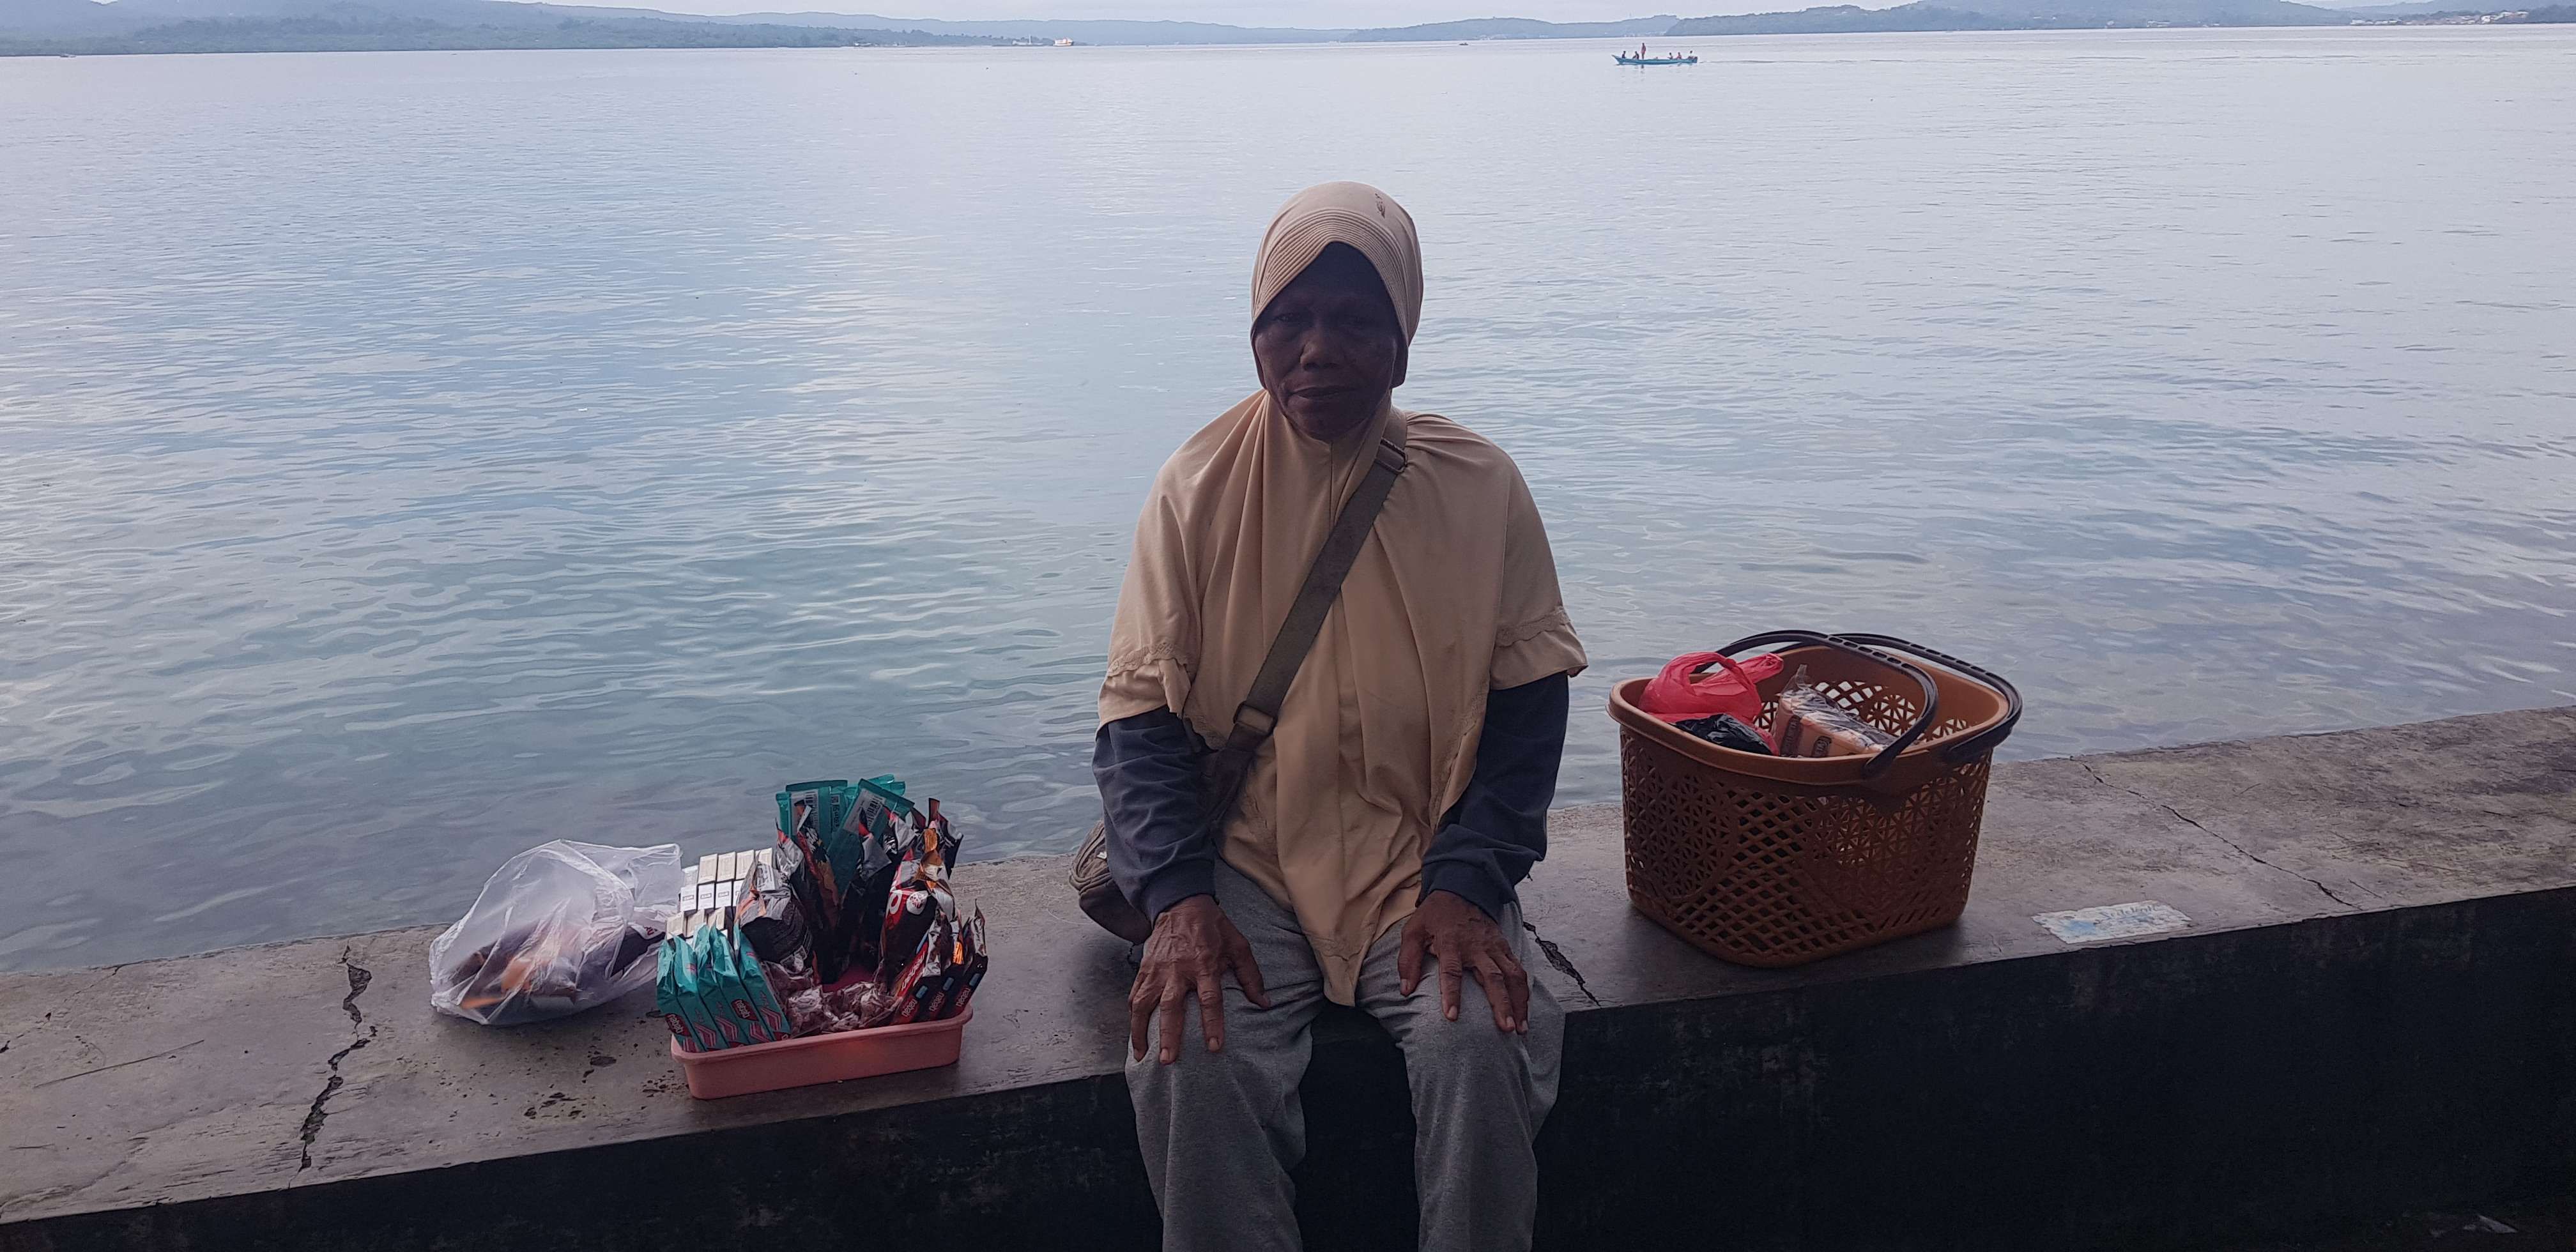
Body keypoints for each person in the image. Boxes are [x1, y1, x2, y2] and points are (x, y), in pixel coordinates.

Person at [1092, 181, 1588, 1252]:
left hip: (1421, 858)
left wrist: (1467, 883)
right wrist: (1179, 899)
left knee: (1480, 1043)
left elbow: (1529, 711)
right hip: (1252, 862)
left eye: (1357, 322)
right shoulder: (1195, 489)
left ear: (1402, 341)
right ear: (1254, 333)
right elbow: (1138, 724)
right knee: (1189, 1054)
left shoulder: (1480, 488)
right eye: (1290, 320)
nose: (1317, 351)